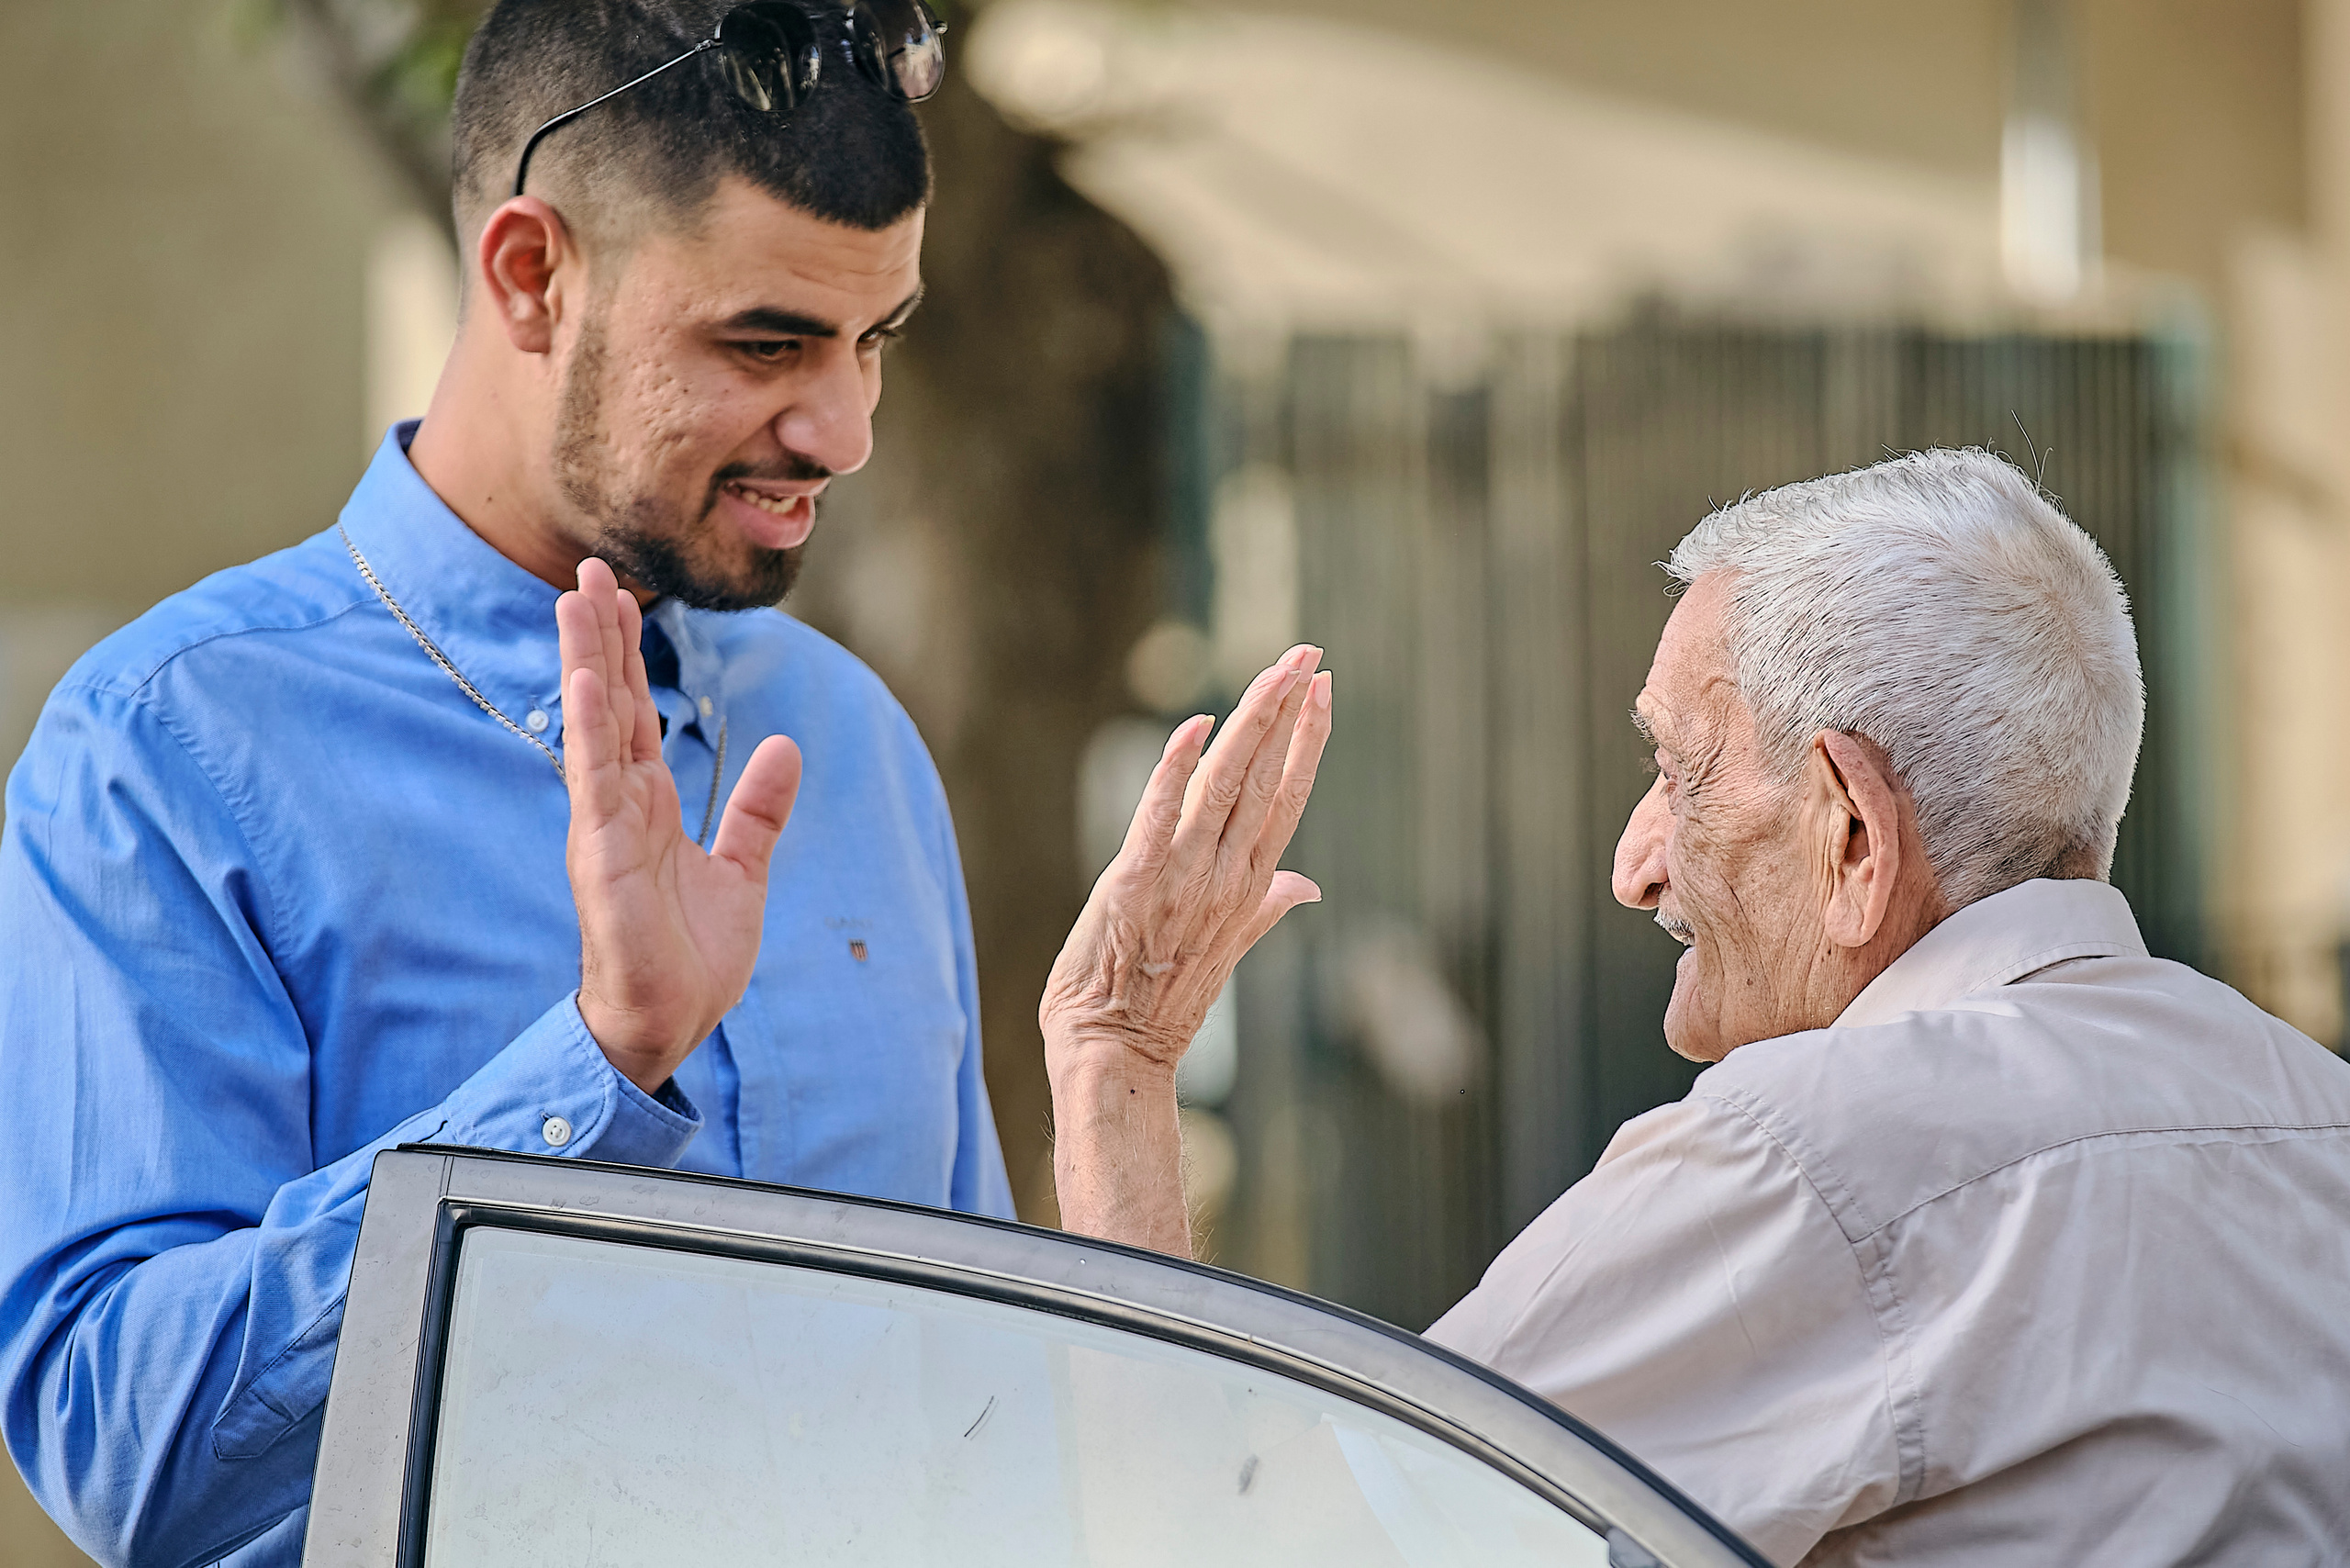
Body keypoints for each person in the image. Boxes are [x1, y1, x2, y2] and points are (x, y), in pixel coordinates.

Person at [0, 3, 1015, 1562]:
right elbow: (128, 1459)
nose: (845, 430)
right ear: (533, 273)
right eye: (766, 343)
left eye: (875, 340)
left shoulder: (852, 741)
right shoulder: (166, 750)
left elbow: (981, 1417)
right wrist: (594, 1076)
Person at [1046, 449, 2350, 1564]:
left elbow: (1244, 1553)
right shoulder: (2316, 1114)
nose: (1636, 863)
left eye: (1680, 772)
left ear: (1851, 836)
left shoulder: (1816, 1157)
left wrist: (1117, 1061)